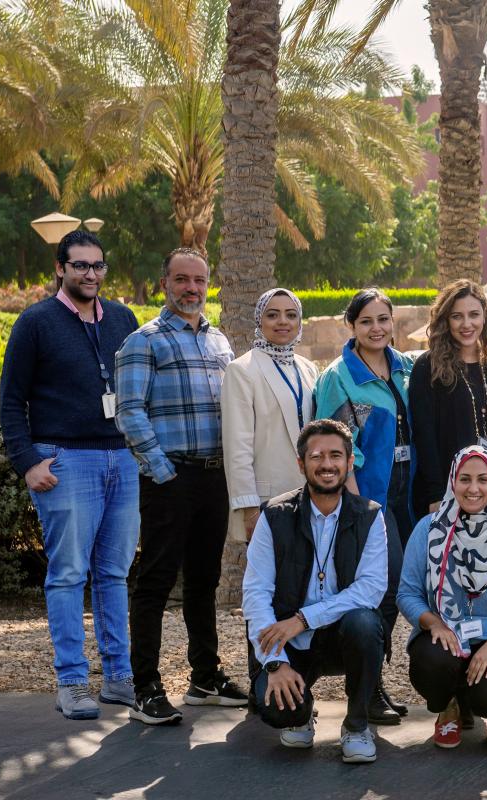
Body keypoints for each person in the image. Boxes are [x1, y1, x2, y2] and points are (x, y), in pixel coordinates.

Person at [0, 230, 142, 719]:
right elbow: (11, 401)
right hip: (65, 460)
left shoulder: (123, 319)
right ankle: (73, 682)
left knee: (114, 574)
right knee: (67, 575)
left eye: (98, 265)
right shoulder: (36, 322)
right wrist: (27, 462)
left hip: (121, 459)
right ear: (60, 268)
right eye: (80, 265)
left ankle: (119, 678)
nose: (90, 274)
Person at [115, 247, 245, 725]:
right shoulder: (143, 341)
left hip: (215, 478)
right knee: (154, 582)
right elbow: (129, 411)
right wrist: (162, 469)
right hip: (169, 478)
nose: (192, 288)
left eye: (199, 280)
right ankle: (145, 689)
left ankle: (204, 678)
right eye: (182, 279)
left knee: (204, 581)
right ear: (164, 284)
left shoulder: (220, 342)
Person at [242, 419, 387, 764]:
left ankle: (356, 726)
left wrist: (304, 619)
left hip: (341, 637)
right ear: (301, 464)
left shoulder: (370, 516)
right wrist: (274, 663)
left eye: (335, 455)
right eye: (316, 456)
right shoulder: (274, 516)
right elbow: (256, 592)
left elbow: (370, 589)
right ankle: (301, 713)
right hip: (288, 642)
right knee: (278, 711)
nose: (326, 464)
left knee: (365, 623)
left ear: (349, 463)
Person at [313, 288, 415, 723]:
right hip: (370, 496)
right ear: (351, 326)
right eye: (366, 321)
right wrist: (356, 504)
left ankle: (372, 683)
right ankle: (366, 689)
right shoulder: (339, 377)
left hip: (409, 493)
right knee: (383, 588)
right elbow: (337, 445)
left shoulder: (406, 367)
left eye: (383, 319)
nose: (377, 328)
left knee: (402, 587)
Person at [400, 444, 487, 749]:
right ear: (453, 480)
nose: (473, 489)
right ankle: (449, 705)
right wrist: (433, 623)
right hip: (445, 633)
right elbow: (407, 593)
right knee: (431, 663)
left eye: (483, 479)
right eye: (465, 479)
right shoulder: (429, 529)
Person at [223, 289, 319, 542]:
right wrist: (249, 508)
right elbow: (237, 446)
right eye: (272, 315)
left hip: (311, 497)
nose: (283, 322)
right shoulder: (242, 370)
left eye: (291, 315)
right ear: (259, 320)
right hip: (266, 501)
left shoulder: (308, 368)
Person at [409, 279, 487, 521]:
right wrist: (435, 494)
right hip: (446, 492)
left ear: (485, 317)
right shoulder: (428, 367)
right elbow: (424, 435)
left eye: (474, 314)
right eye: (457, 316)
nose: (466, 324)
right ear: (445, 320)